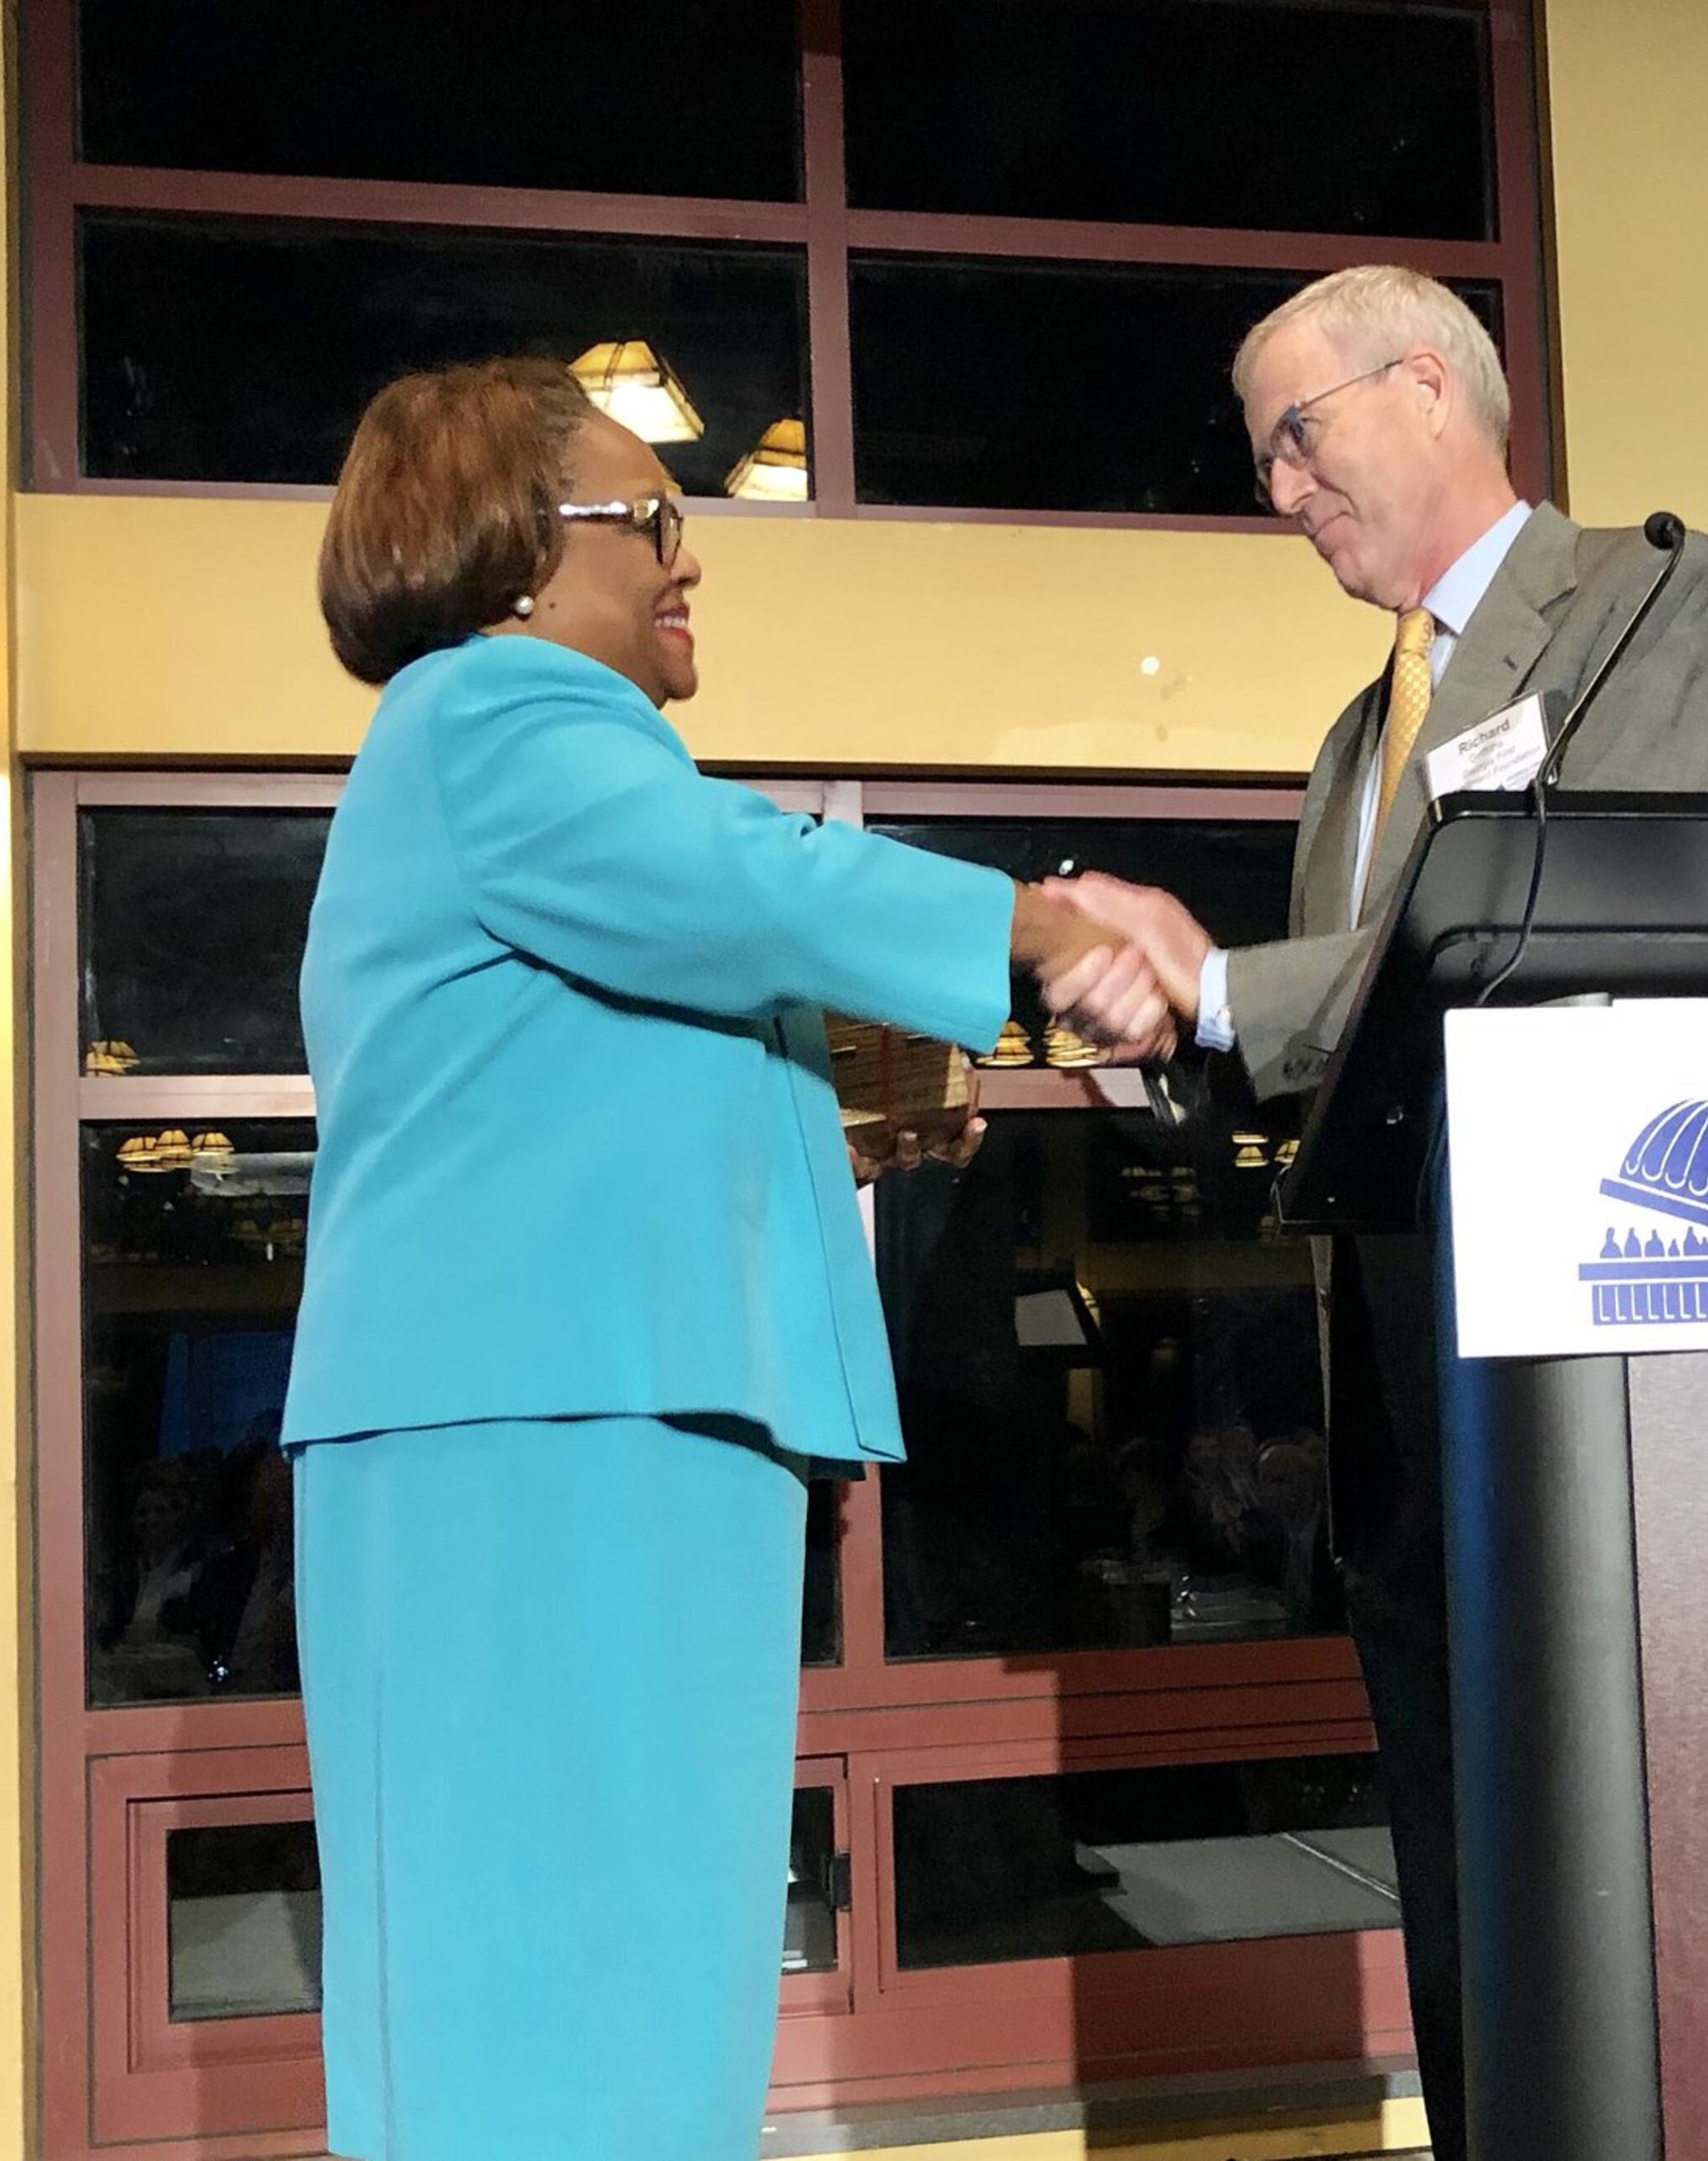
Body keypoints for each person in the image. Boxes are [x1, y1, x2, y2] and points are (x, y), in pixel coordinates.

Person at [284, 357, 1158, 2161]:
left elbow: (572, 1070)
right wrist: (1042, 924)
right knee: (554, 1976)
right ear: (521, 551)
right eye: (652, 520)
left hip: (575, 1414)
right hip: (541, 1425)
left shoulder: (505, 764)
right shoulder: (496, 712)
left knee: (621, 1967)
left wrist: (832, 1127)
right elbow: (745, 880)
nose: (691, 561)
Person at [1044, 265, 1708, 2160]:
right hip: (1396, 1396)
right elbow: (1344, 1045)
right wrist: (1149, 1036)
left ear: (1429, 387)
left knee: (1612, 1887)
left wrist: (1219, 984)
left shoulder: (1642, 599)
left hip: (1581, 1380)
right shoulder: (1356, 747)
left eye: (1299, 433)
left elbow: (1594, 921)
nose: (1279, 491)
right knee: (1456, 1887)